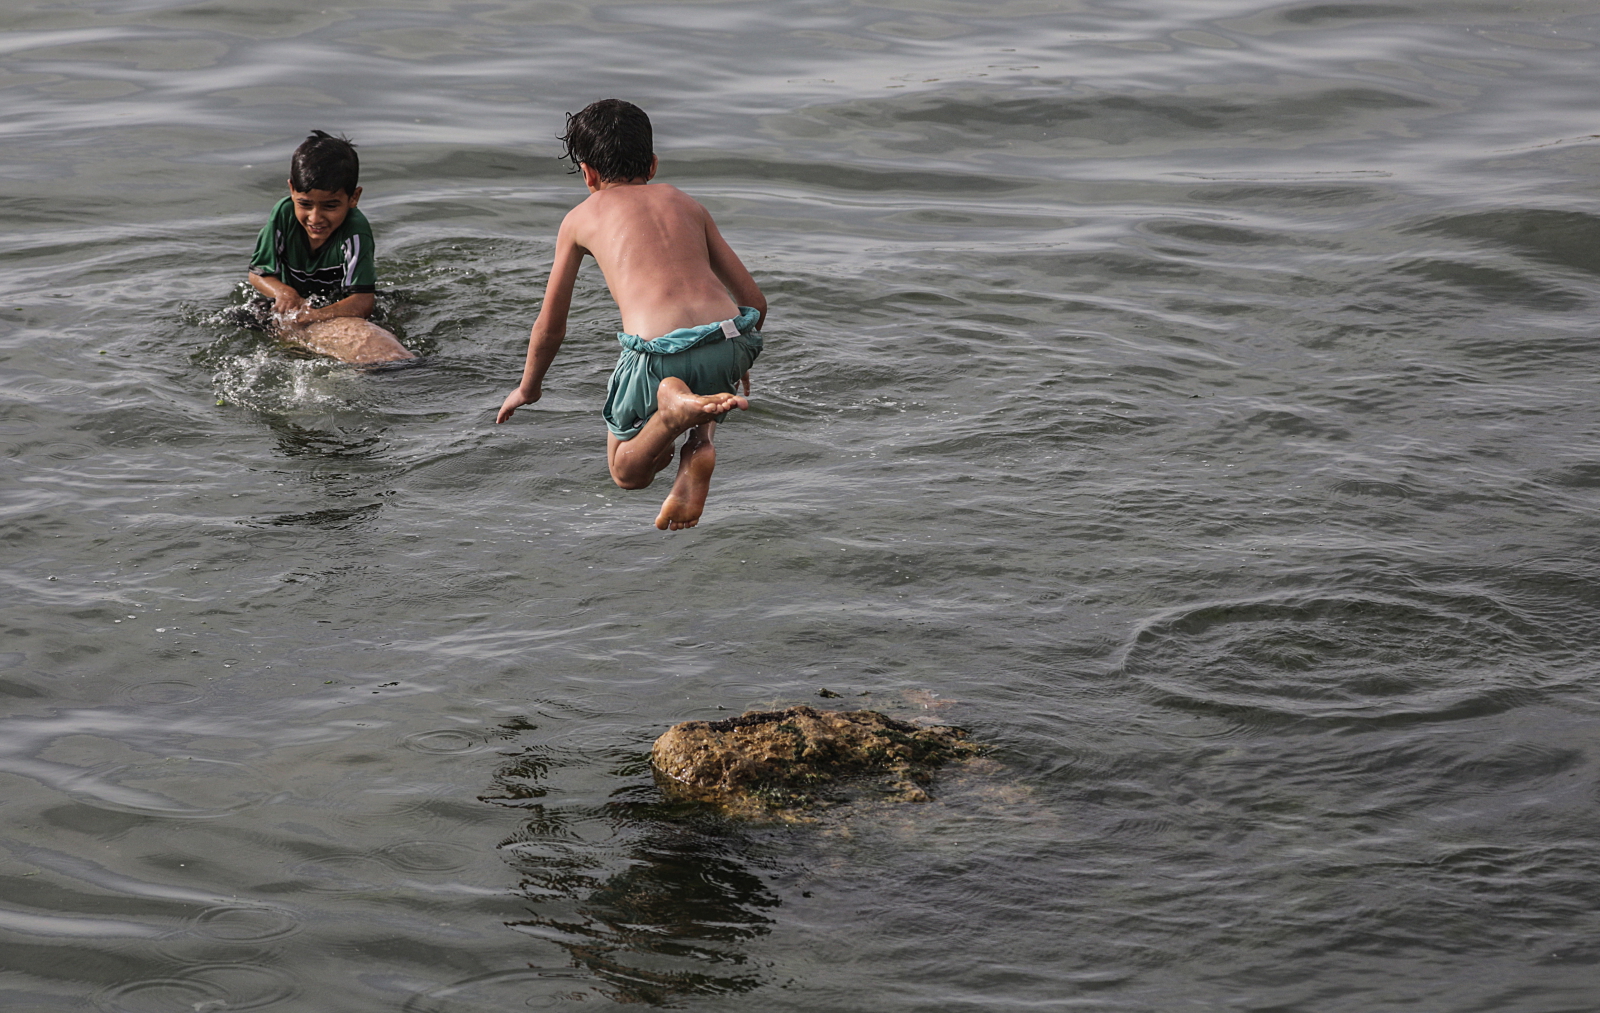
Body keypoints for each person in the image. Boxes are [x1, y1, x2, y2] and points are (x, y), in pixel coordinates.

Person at [496, 99, 767, 530]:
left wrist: (528, 388)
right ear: (654, 164)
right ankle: (698, 446)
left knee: (627, 471)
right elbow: (755, 301)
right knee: (707, 395)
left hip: (661, 351)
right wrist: (738, 359)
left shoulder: (579, 219)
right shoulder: (687, 203)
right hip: (731, 335)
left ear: (586, 173)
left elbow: (551, 326)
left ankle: (672, 410)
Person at [247, 130, 414, 364]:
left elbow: (363, 302)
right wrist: (285, 293)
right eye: (305, 204)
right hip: (296, 301)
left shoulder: (356, 230)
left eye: (330, 206)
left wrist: (315, 316)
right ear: (292, 190)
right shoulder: (283, 215)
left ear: (354, 198)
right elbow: (257, 275)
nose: (315, 218)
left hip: (336, 305)